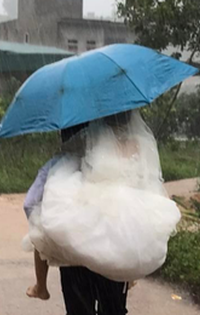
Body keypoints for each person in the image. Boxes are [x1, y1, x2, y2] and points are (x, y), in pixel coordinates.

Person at [24, 110, 180, 314]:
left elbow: (31, 203)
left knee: (79, 309)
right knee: (114, 309)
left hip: (75, 251)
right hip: (116, 252)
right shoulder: (139, 147)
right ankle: (126, 280)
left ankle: (40, 286)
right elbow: (145, 196)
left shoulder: (76, 151)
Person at [23, 122, 88, 301]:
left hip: (70, 247)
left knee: (38, 232)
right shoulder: (106, 162)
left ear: (63, 136)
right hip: (105, 246)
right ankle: (129, 278)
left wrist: (41, 226)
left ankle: (41, 286)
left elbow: (29, 203)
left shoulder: (56, 164)